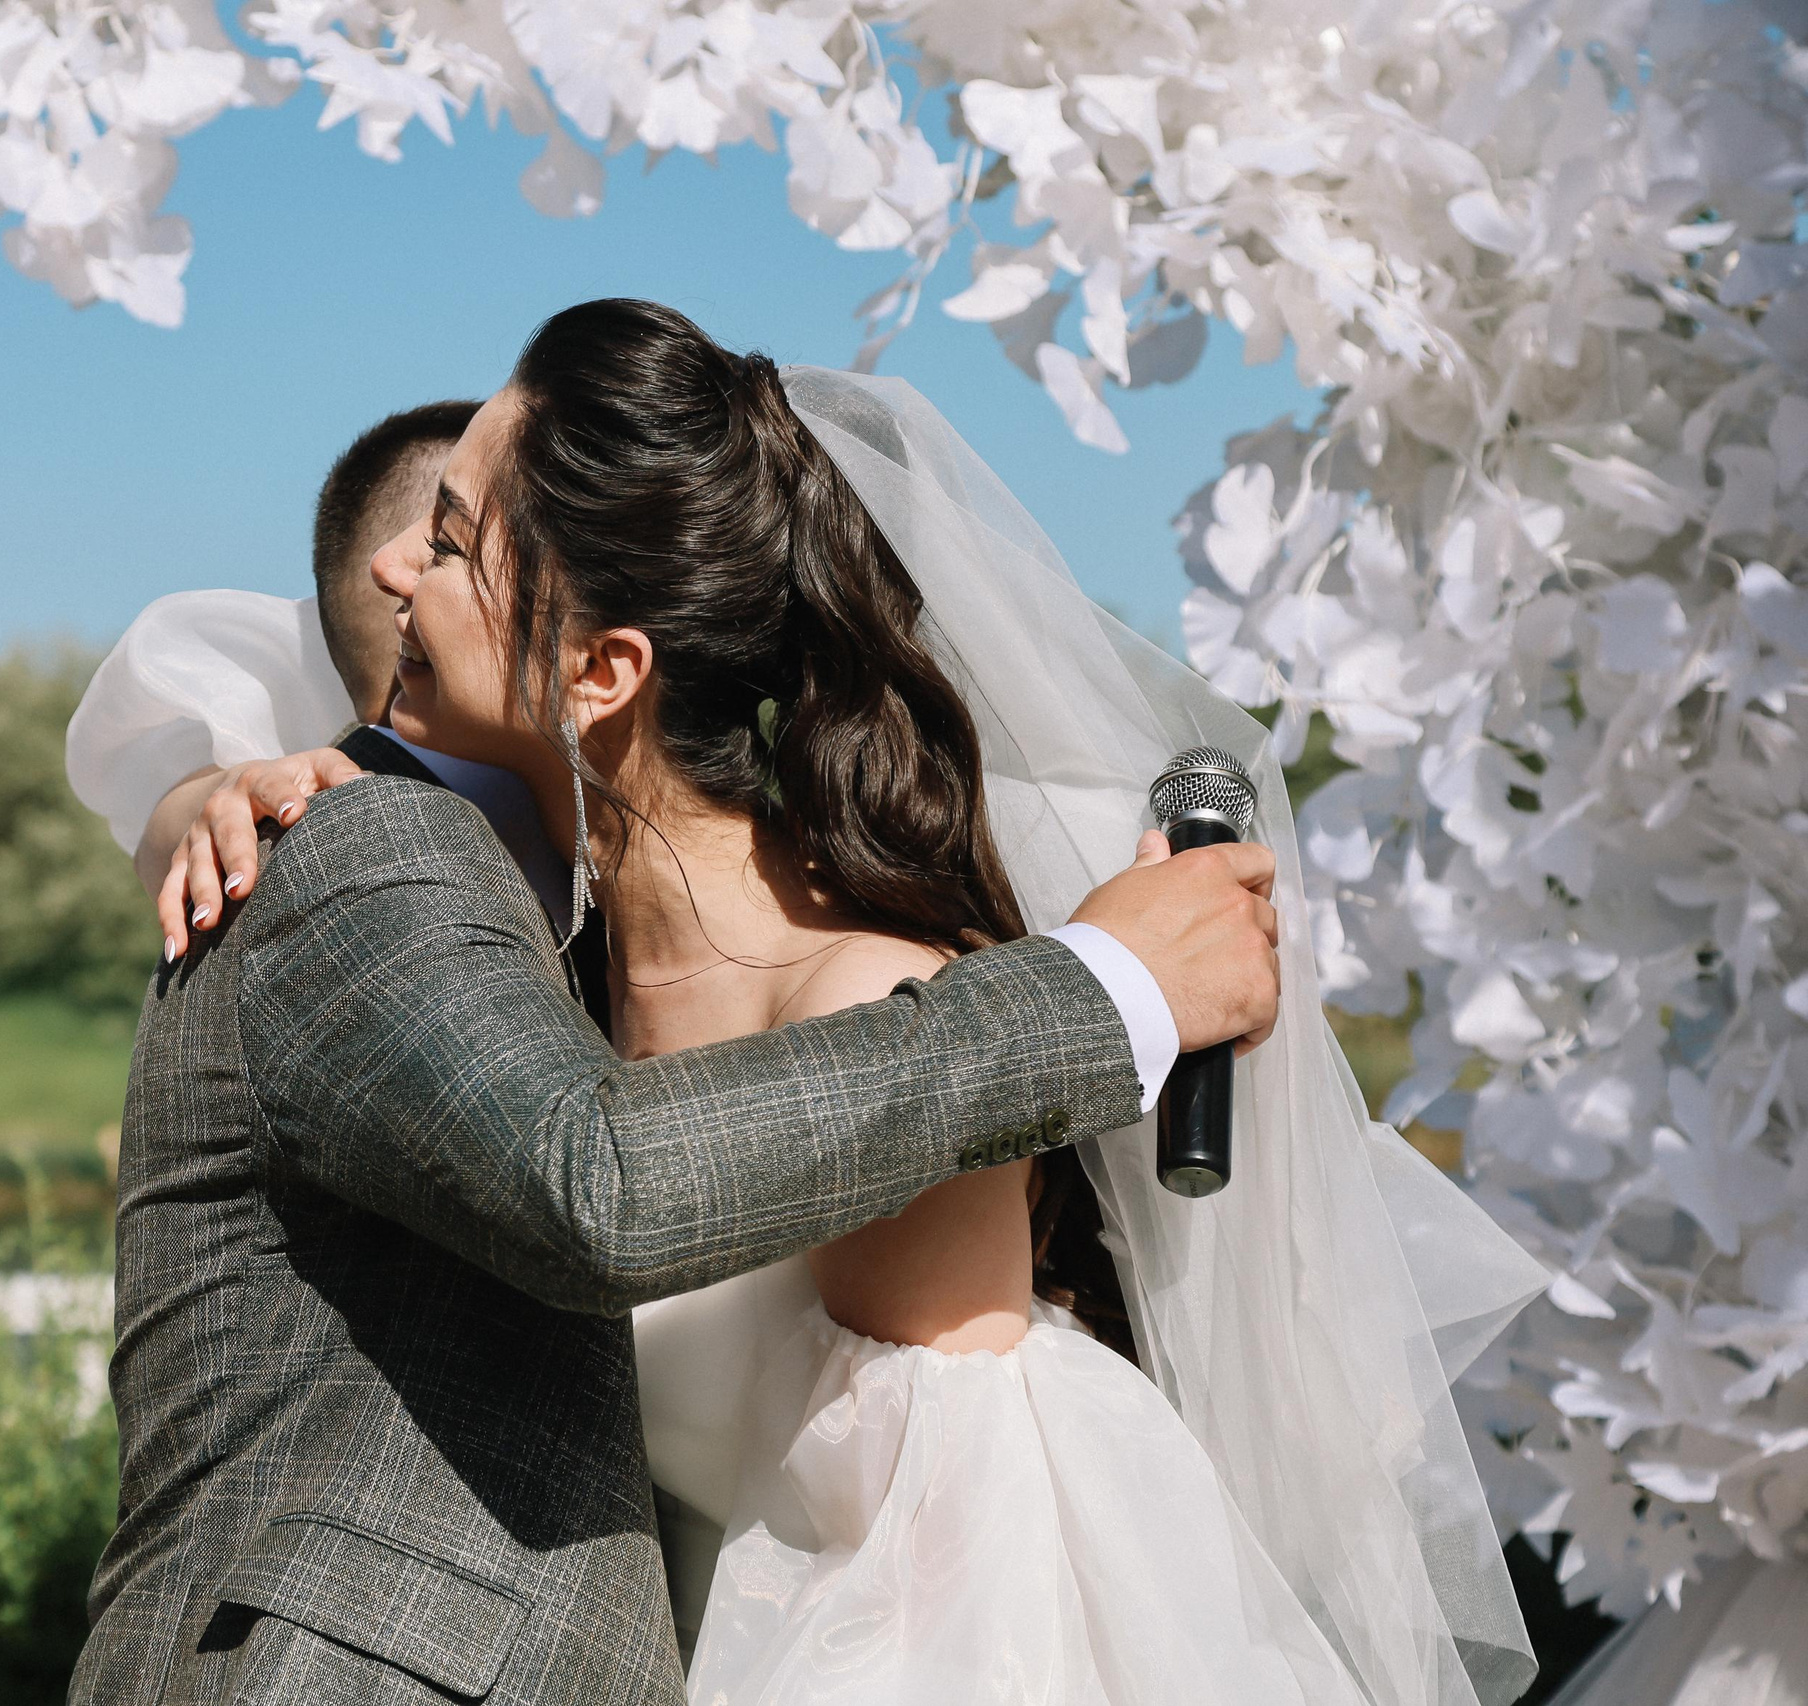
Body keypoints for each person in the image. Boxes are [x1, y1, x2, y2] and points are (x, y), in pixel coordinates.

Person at [86, 301, 1549, 1705]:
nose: (394, 568)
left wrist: (1110, 995)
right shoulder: (520, 954)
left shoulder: (873, 998)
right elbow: (569, 1146)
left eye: (452, 541)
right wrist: (205, 794)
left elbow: (962, 1617)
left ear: (602, 670)